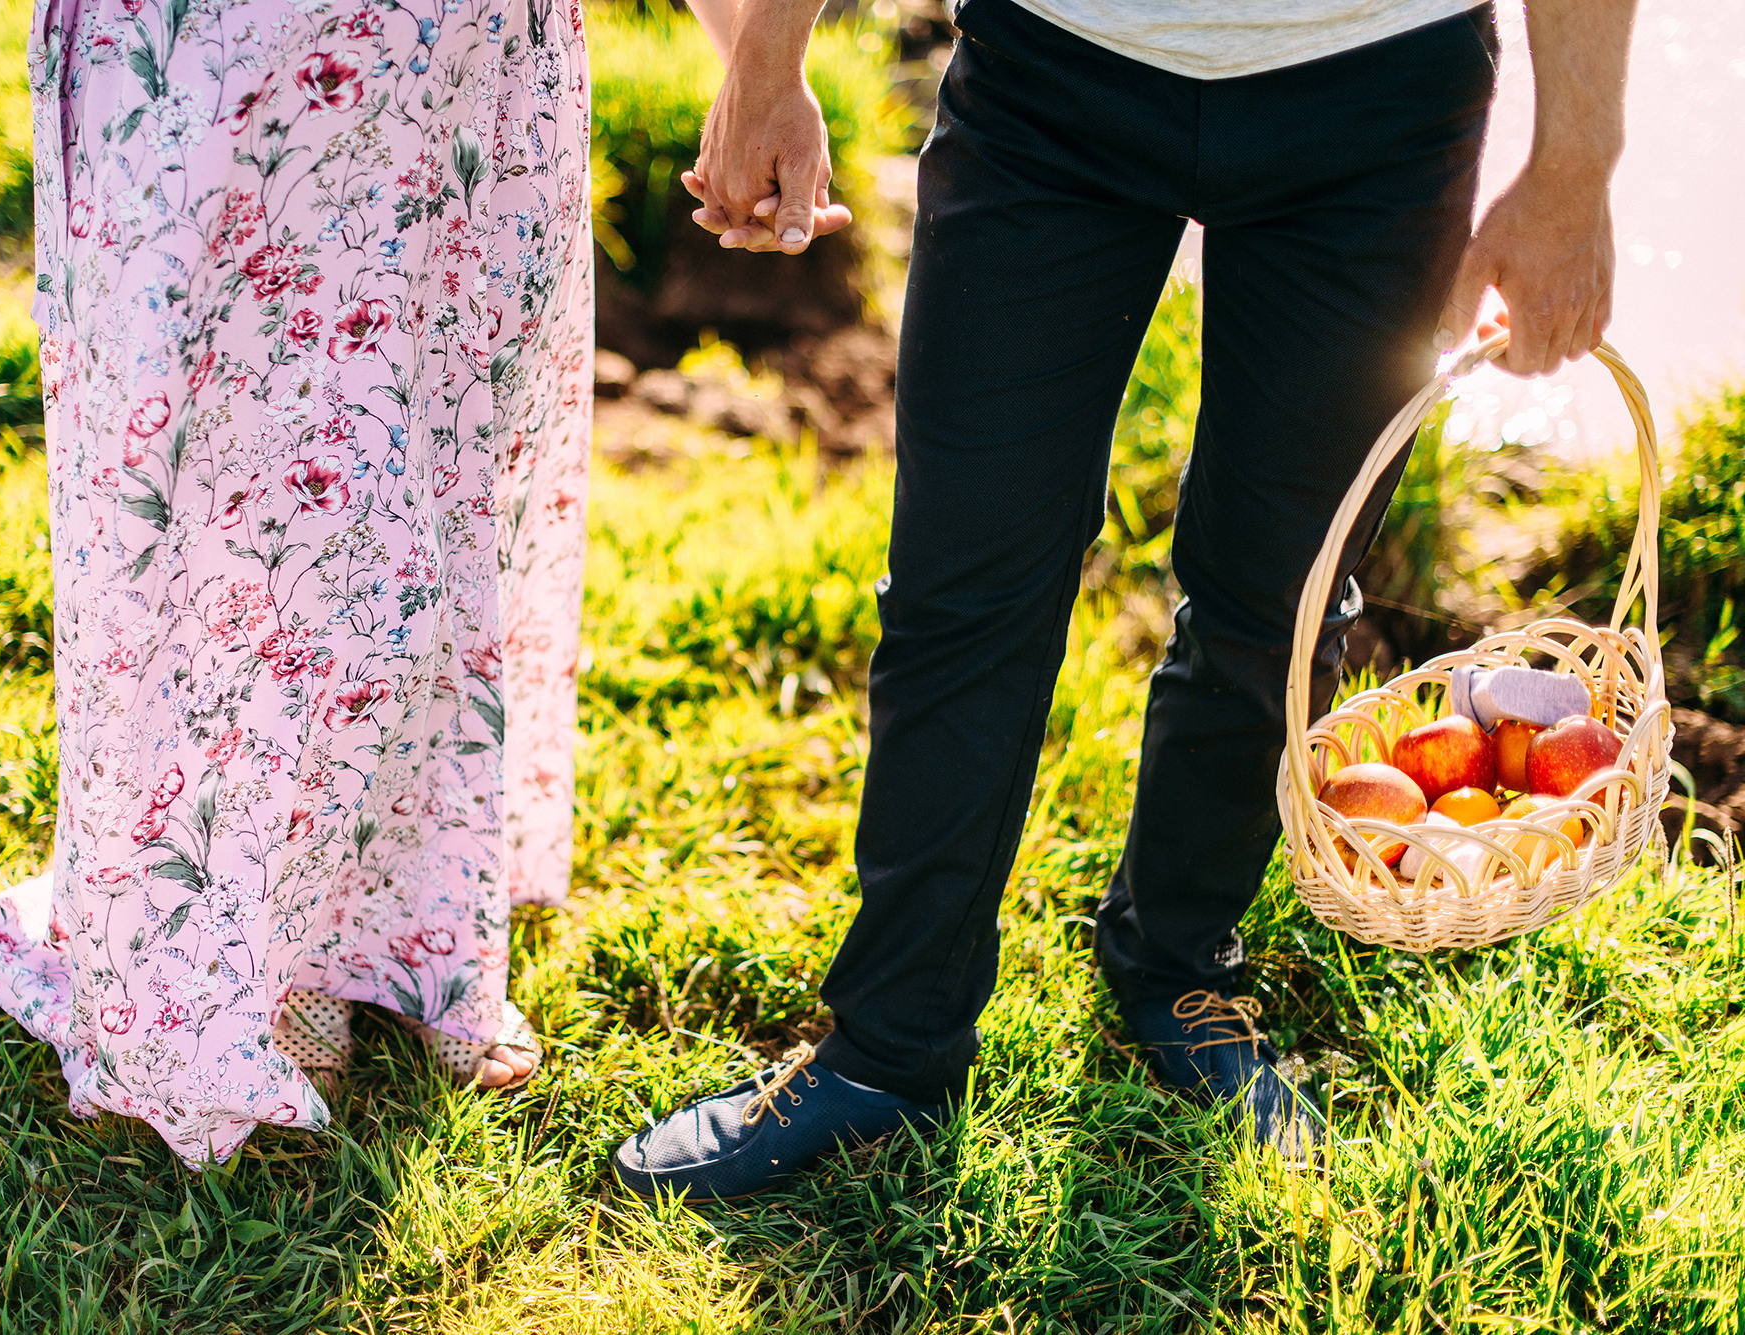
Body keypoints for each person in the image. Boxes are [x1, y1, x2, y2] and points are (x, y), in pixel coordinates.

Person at [614, 0, 1635, 1200]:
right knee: (963, 583)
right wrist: (770, 57)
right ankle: (888, 1046)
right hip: (1050, 75)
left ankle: (1177, 966)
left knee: (1284, 597)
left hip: (1377, 97)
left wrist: (1572, 164)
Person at [0, 0, 593, 1168]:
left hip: (465, 45)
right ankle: (270, 946)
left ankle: (411, 919)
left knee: (444, 454)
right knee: (227, 495)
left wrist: (756, 57)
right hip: (219, 47)